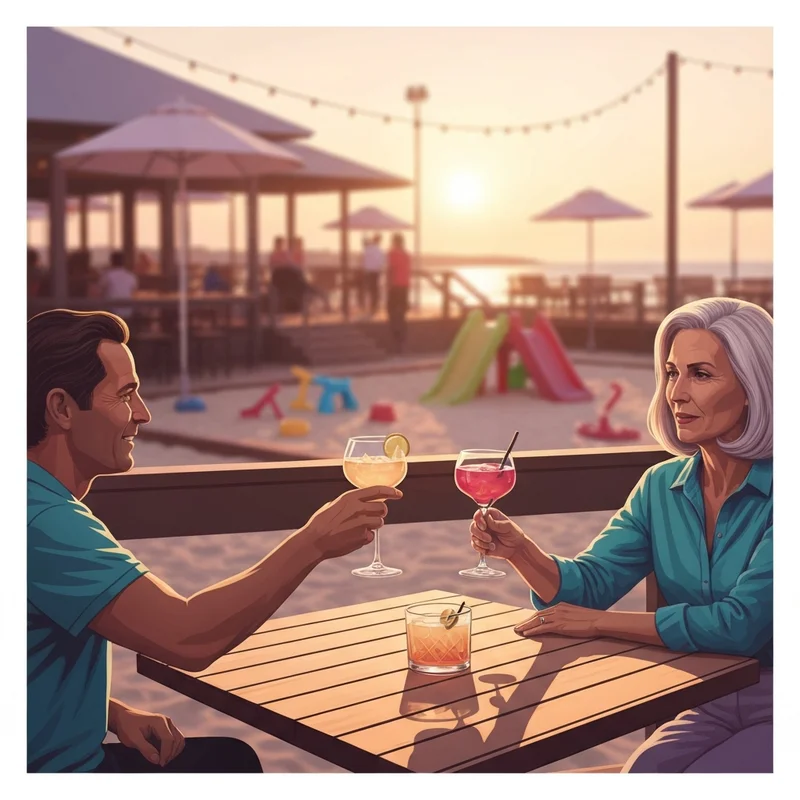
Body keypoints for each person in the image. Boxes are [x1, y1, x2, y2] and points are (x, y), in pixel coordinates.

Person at [27, 309, 402, 772]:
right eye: (125, 395)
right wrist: (314, 541)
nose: (143, 413)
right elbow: (187, 638)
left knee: (230, 757)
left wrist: (110, 712)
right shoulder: (44, 522)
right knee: (233, 764)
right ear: (62, 408)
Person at [469, 297, 773, 773]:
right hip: (709, 694)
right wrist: (521, 553)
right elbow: (589, 586)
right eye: (672, 373)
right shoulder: (660, 487)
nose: (676, 393)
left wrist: (597, 623)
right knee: (642, 774)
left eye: (701, 373)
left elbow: (739, 627)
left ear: (754, 387)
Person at [387, 233, 412, 353]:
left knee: (392, 312)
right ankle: (402, 340)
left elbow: (391, 269)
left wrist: (388, 284)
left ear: (395, 242)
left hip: (395, 285)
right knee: (402, 313)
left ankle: (396, 340)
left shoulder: (392, 253)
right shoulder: (407, 255)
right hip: (405, 286)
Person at [98, 250, 139, 320]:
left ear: (111, 261)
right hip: (128, 312)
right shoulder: (131, 276)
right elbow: (134, 293)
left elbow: (99, 291)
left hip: (111, 313)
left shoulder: (107, 275)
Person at [362, 234, 386, 316]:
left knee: (370, 289)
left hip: (368, 271)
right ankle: (375, 306)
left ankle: (371, 306)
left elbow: (364, 259)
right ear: (379, 241)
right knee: (375, 289)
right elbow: (382, 262)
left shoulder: (368, 249)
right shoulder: (379, 250)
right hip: (376, 271)